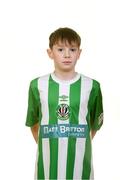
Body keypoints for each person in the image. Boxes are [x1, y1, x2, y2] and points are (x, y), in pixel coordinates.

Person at [25, 27, 103, 180]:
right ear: (50, 53)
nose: (67, 55)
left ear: (79, 53)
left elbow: (93, 126)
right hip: (46, 169)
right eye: (60, 49)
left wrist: (76, 142)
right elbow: (34, 124)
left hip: (81, 170)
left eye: (72, 49)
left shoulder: (92, 86)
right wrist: (50, 144)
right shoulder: (37, 85)